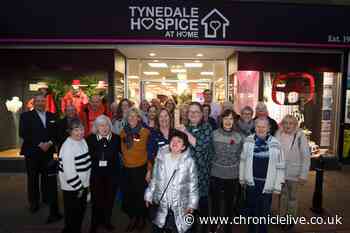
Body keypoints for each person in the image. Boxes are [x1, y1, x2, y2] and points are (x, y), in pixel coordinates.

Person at [145, 130, 199, 233]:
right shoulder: (161, 158)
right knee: (160, 227)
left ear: (183, 147)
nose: (175, 142)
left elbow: (193, 185)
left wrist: (192, 204)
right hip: (162, 203)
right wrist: (149, 195)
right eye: (173, 140)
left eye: (179, 141)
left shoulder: (189, 162)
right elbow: (154, 179)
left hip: (180, 205)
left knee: (178, 228)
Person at [19, 94, 62, 223]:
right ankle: (34, 203)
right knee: (32, 178)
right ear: (34, 102)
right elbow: (23, 133)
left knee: (47, 178)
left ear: (46, 102)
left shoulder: (52, 116)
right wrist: (39, 144)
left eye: (42, 101)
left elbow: (57, 133)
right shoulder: (25, 116)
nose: (40, 103)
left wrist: (49, 143)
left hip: (48, 152)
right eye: (38, 101)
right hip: (32, 152)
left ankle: (47, 199)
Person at [240, 117, 285, 233]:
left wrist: (278, 186)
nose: (260, 129)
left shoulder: (276, 143)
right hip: (251, 184)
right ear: (254, 128)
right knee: (252, 213)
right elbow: (243, 161)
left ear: (268, 128)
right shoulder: (248, 141)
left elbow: (280, 166)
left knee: (264, 214)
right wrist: (242, 179)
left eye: (263, 126)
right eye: (258, 126)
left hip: (267, 186)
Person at [177, 101, 213, 233]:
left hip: (201, 174)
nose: (193, 114)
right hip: (186, 175)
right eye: (190, 112)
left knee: (202, 207)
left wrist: (185, 132)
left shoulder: (207, 128)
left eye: (196, 112)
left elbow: (200, 146)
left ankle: (203, 229)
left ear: (201, 114)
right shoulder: (185, 127)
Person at [86, 115, 122, 233]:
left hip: (112, 175)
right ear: (96, 127)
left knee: (109, 200)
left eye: (106, 125)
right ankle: (95, 223)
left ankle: (107, 221)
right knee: (96, 201)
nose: (104, 128)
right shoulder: (90, 139)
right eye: (101, 125)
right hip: (96, 175)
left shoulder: (116, 138)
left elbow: (124, 152)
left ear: (110, 126)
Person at [210, 109, 243, 233]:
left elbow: (241, 156)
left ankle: (228, 227)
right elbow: (210, 152)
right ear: (221, 120)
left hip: (232, 175)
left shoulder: (239, 137)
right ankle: (214, 225)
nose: (228, 121)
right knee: (215, 203)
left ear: (234, 121)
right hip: (216, 174)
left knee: (229, 204)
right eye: (225, 118)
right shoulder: (214, 134)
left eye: (231, 118)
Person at [275, 115, 310, 231]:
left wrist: (303, 175)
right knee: (283, 196)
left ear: (295, 125)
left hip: (295, 174)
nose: (288, 125)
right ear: (282, 124)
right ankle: (282, 217)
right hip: (281, 173)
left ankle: (290, 219)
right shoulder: (278, 135)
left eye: (291, 123)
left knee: (292, 198)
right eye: (285, 123)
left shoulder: (300, 137)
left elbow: (306, 157)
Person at [120, 107, 152, 232]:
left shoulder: (145, 132)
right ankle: (133, 219)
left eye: (135, 116)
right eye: (130, 116)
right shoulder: (123, 132)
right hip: (127, 169)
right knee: (130, 196)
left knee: (140, 196)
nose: (132, 118)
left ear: (139, 118)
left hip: (141, 169)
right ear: (127, 119)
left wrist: (149, 169)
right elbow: (122, 150)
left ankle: (142, 219)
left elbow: (150, 153)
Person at [58, 118, 91, 233]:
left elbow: (87, 164)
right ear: (70, 131)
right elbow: (69, 173)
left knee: (79, 214)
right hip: (73, 188)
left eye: (81, 129)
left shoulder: (82, 141)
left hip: (82, 186)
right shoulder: (67, 147)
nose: (80, 133)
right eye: (76, 130)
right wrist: (80, 188)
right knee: (73, 214)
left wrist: (87, 186)